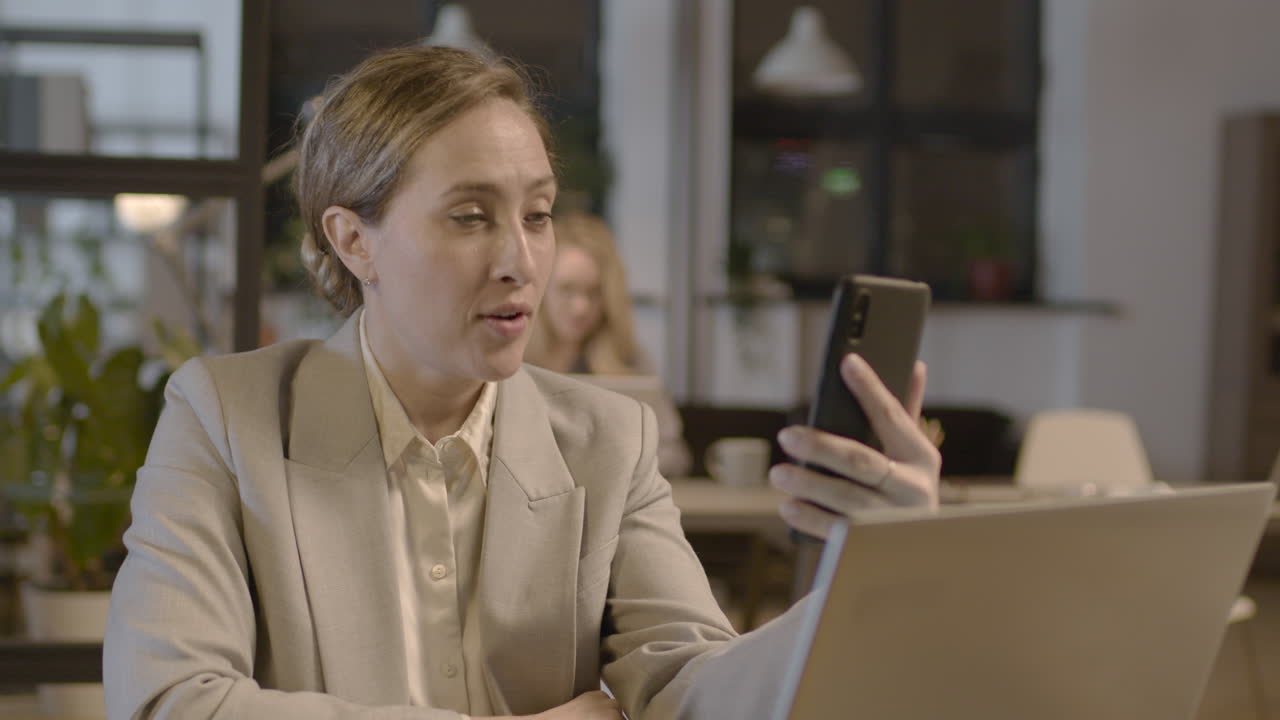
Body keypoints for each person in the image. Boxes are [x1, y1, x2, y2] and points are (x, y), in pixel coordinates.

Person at [103, 46, 941, 720]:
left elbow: (691, 687)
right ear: (354, 241)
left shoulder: (607, 439)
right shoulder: (222, 416)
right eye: (470, 217)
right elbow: (168, 700)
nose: (520, 261)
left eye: (536, 215)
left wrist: (875, 582)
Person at [524, 212, 691, 477]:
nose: (581, 307)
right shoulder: (512, 359)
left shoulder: (630, 359)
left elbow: (674, 453)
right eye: (567, 289)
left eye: (594, 292)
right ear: (541, 289)